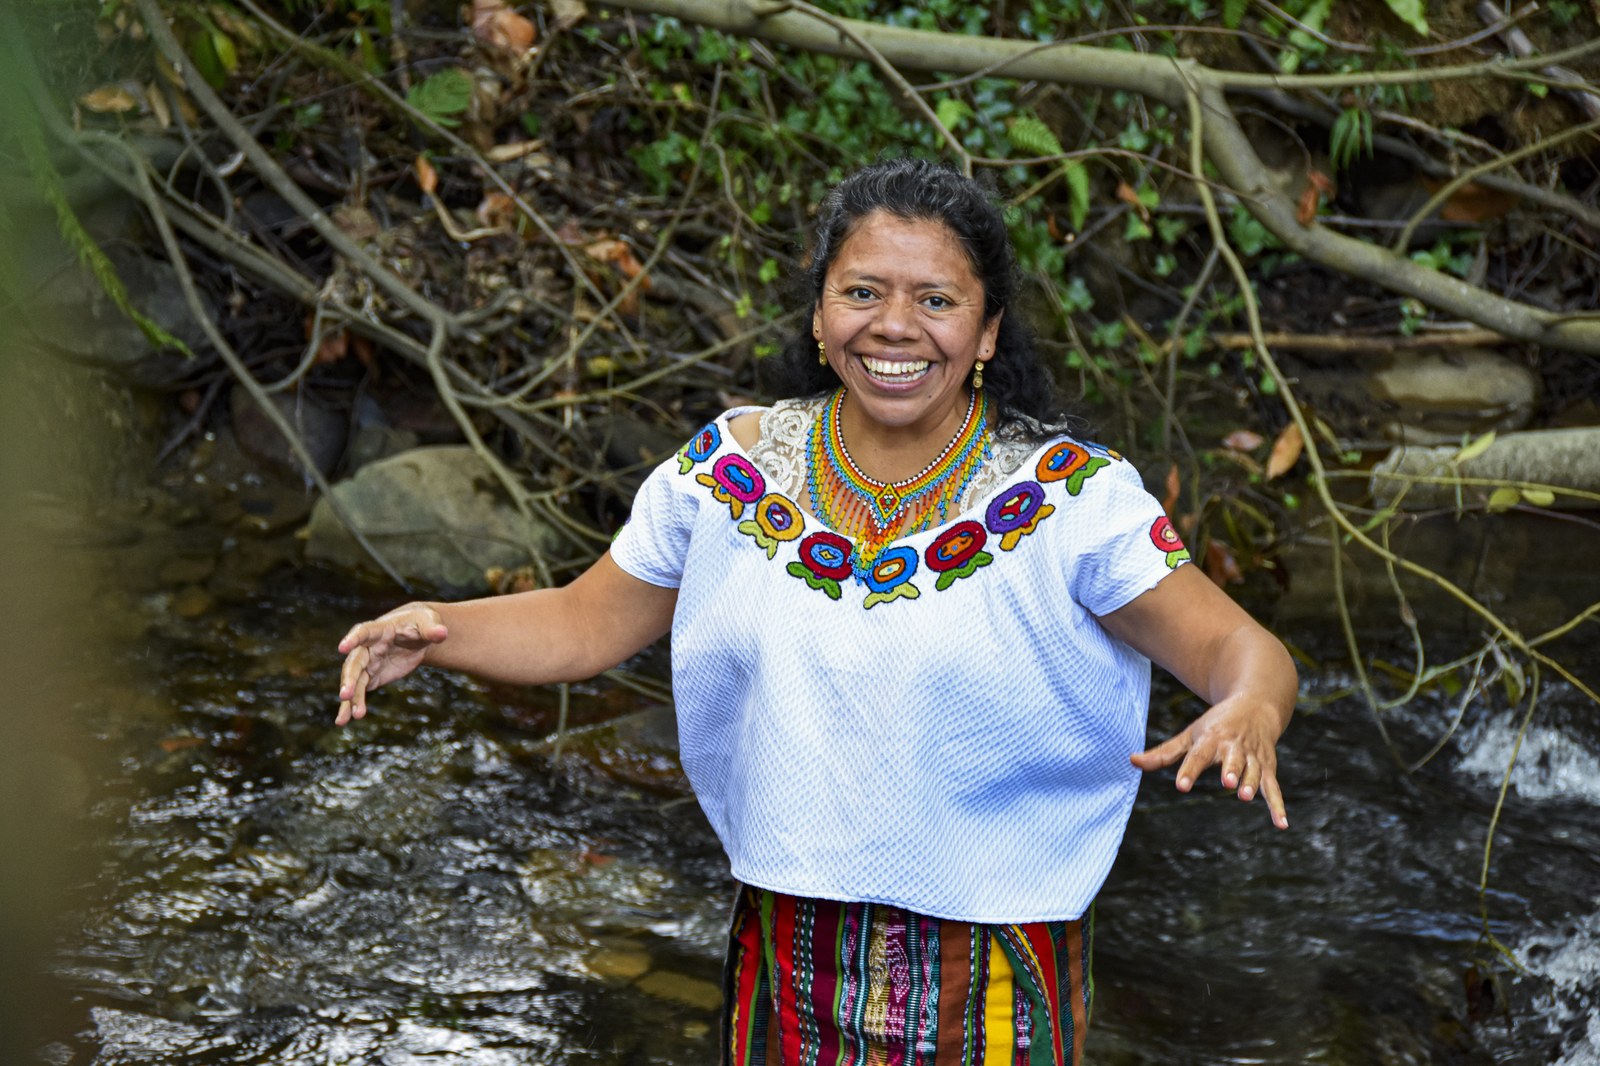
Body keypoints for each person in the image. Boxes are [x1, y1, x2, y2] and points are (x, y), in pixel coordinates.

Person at [336, 158, 1296, 1065]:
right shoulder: (733, 470)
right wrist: (437, 629)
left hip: (992, 970)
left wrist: (1250, 703)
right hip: (785, 950)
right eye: (862, 292)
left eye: (936, 300)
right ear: (820, 310)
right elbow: (583, 622)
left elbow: (1238, 647)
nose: (894, 327)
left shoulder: (1070, 499)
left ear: (988, 332)